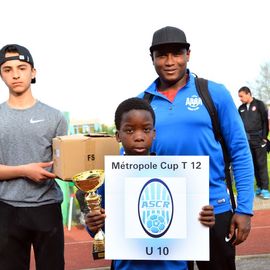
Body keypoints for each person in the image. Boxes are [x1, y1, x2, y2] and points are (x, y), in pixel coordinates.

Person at [136, 26, 254, 270]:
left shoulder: (213, 93)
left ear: (188, 54)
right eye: (161, 55)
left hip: (214, 209)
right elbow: (132, 162)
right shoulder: (142, 102)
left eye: (176, 54)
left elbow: (240, 151)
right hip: (167, 213)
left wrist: (244, 209)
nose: (169, 62)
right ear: (152, 59)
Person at [85, 97, 215, 270]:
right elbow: (101, 228)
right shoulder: (107, 178)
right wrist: (93, 225)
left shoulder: (177, 174)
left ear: (154, 133)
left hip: (174, 266)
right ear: (118, 135)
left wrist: (203, 219)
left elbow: (191, 223)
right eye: (130, 131)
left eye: (146, 130)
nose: (139, 137)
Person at [0, 44, 67, 270]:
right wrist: (23, 170)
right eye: (7, 69)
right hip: (6, 209)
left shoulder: (55, 117)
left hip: (46, 208)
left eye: (22, 67)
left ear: (33, 72)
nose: (16, 74)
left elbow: (65, 166)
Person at [238, 86, 270, 199]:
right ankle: (259, 187)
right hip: (247, 141)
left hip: (259, 140)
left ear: (248, 94)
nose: (240, 99)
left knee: (262, 165)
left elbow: (265, 122)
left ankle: (265, 189)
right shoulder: (240, 108)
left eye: (241, 96)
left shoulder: (260, 104)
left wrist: (264, 138)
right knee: (252, 165)